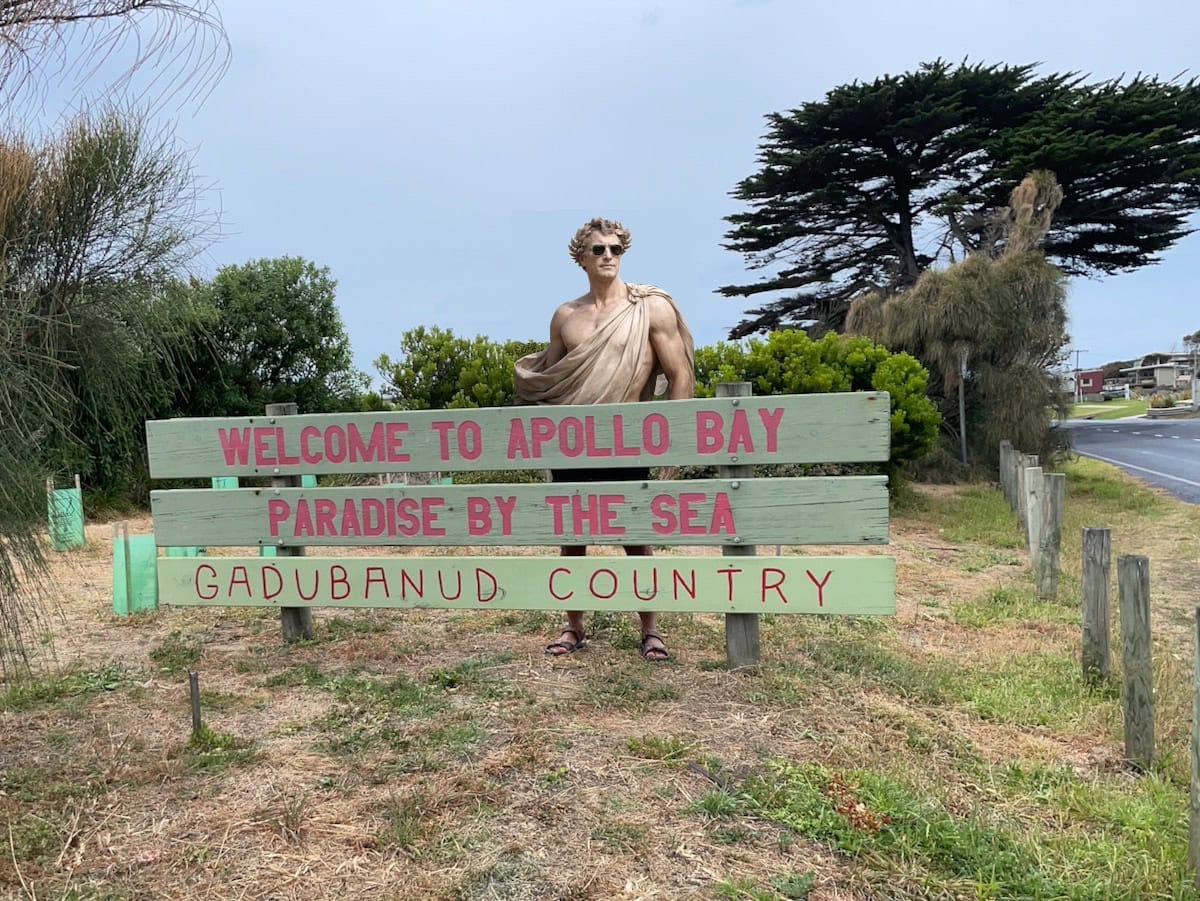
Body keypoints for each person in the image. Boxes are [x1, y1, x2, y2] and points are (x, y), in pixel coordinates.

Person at [514, 216, 695, 661]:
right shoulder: (565, 316)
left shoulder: (650, 308)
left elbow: (680, 375)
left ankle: (651, 629)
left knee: (636, 536)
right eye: (598, 249)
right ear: (581, 257)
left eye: (616, 249)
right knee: (572, 536)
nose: (608, 256)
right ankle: (573, 626)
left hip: (627, 439)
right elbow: (554, 381)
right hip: (574, 442)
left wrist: (674, 440)